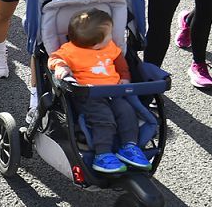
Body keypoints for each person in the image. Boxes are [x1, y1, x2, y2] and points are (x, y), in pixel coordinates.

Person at [48, 9, 151, 172]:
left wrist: (124, 77)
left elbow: (120, 61)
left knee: (127, 113)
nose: (112, 38)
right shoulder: (70, 50)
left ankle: (129, 147)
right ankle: (102, 154)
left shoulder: (109, 46)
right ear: (96, 44)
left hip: (114, 92)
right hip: (89, 95)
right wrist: (61, 67)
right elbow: (54, 58)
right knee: (104, 119)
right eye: (109, 35)